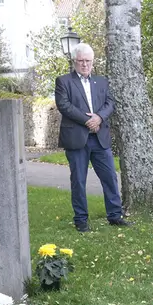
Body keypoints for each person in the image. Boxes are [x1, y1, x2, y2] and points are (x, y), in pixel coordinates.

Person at [54, 43, 131, 232]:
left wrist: (99, 117)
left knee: (110, 177)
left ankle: (114, 215)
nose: (85, 65)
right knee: (79, 180)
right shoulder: (64, 81)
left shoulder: (101, 81)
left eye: (88, 61)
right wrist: (87, 121)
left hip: (99, 138)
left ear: (93, 61)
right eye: (81, 61)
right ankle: (81, 219)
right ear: (74, 61)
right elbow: (64, 105)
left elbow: (110, 102)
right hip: (77, 139)